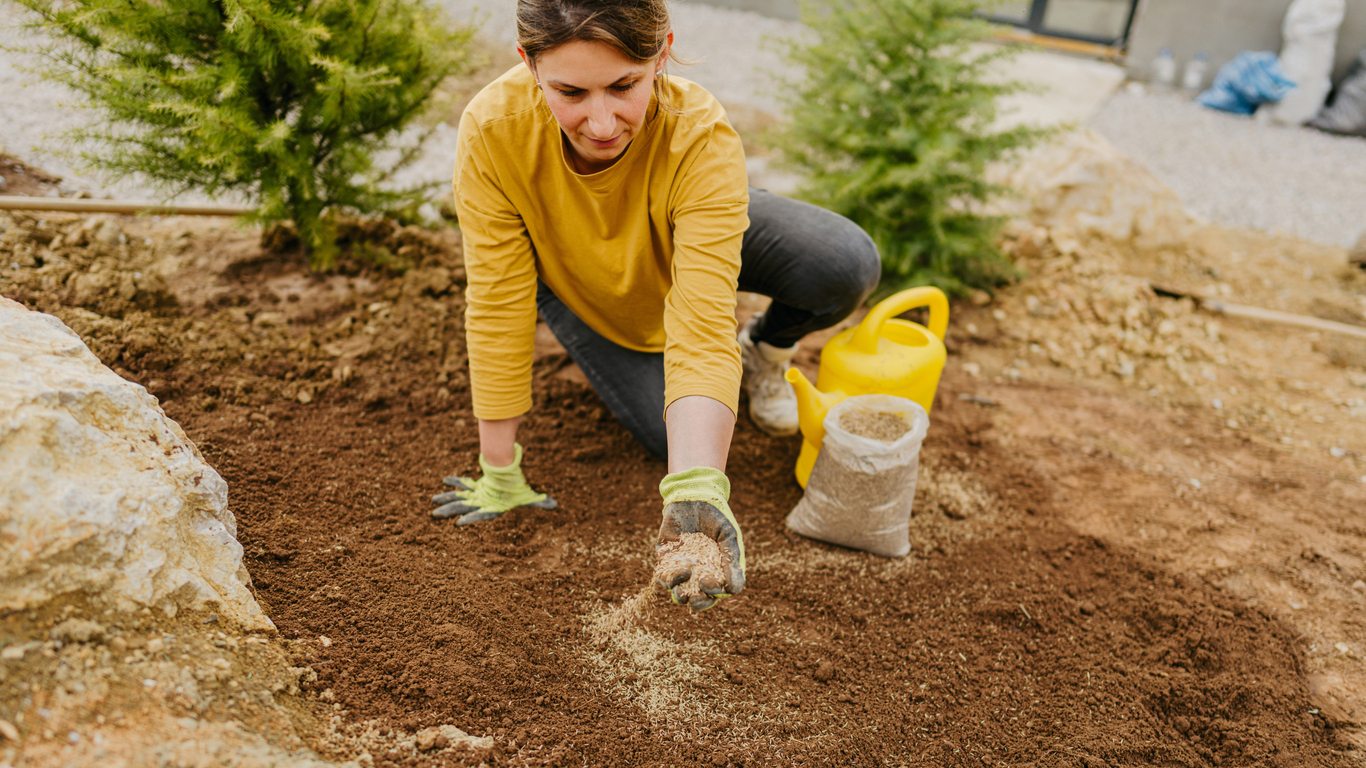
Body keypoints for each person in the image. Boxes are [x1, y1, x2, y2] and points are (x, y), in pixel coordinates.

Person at [432, 0, 880, 611]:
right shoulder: (494, 130)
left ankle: (762, 351)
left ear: (661, 53)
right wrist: (499, 470)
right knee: (660, 432)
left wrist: (697, 484)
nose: (600, 122)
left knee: (842, 262)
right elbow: (498, 302)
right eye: (569, 91)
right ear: (528, 65)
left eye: (624, 86)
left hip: (678, 229)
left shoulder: (697, 131)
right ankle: (671, 367)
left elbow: (700, 322)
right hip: (582, 283)